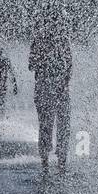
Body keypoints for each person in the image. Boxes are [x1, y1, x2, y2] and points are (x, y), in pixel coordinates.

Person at [28, 12, 72, 175]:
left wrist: (43, 60)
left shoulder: (40, 40)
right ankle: (58, 162)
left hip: (48, 87)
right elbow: (69, 66)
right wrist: (63, 81)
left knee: (48, 125)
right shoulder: (60, 40)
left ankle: (48, 162)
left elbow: (31, 65)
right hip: (55, 88)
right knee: (61, 124)